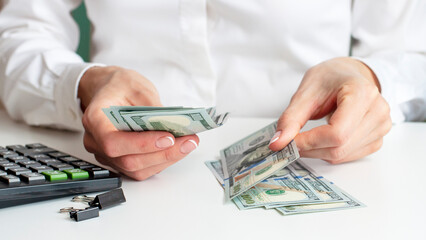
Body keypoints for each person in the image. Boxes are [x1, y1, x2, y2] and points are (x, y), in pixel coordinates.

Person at [0, 1, 425, 180]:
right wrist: (83, 86)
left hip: (327, 171)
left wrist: (369, 79)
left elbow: (413, 53)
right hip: (121, 189)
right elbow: (18, 33)